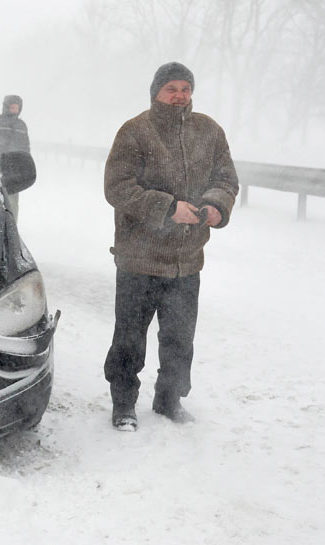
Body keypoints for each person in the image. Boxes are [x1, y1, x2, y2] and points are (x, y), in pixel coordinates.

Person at [103, 62, 239, 432]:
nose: (179, 95)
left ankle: (169, 400)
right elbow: (117, 188)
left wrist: (215, 205)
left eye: (185, 88)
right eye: (171, 88)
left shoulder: (208, 131)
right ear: (156, 92)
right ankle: (124, 404)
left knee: (179, 338)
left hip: (186, 260)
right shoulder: (135, 132)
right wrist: (167, 209)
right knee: (129, 337)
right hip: (139, 258)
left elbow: (225, 178)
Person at [0, 95, 30, 217]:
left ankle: (11, 228)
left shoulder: (22, 126)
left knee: (12, 202)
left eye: (17, 108)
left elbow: (25, 148)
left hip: (14, 171)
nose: (14, 110)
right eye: (12, 107)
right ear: (6, 107)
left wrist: (25, 166)